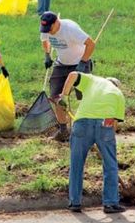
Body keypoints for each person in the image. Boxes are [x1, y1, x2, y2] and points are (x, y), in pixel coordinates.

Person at [60, 72, 126, 214]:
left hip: (82, 123)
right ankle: (111, 203)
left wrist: (64, 96)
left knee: (76, 164)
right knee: (110, 164)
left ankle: (74, 202)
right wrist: (104, 139)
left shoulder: (93, 80)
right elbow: (114, 125)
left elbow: (71, 74)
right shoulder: (119, 95)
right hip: (105, 124)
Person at [40, 11, 96, 142]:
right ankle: (63, 131)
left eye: (50, 28)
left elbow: (91, 44)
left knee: (84, 97)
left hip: (79, 64)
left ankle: (89, 129)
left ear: (56, 22)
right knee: (56, 97)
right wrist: (47, 55)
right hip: (61, 64)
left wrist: (83, 62)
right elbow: (44, 40)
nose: (48, 32)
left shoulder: (70, 29)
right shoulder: (46, 28)